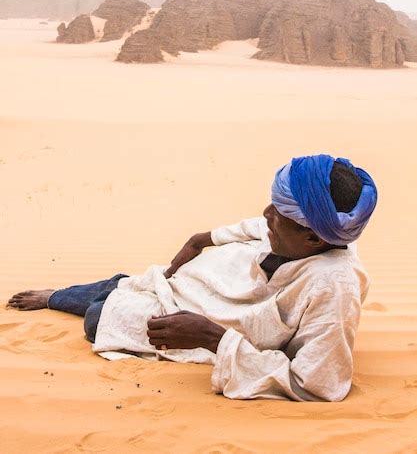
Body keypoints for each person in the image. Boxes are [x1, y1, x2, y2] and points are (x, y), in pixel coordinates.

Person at [8, 154, 377, 402]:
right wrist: (202, 239)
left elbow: (318, 384)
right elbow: (251, 226)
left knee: (98, 318)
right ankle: (59, 295)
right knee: (129, 283)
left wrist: (212, 338)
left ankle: (73, 299)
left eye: (278, 213)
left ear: (314, 236)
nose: (266, 215)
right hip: (207, 288)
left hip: (218, 324)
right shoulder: (307, 232)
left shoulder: (334, 285)